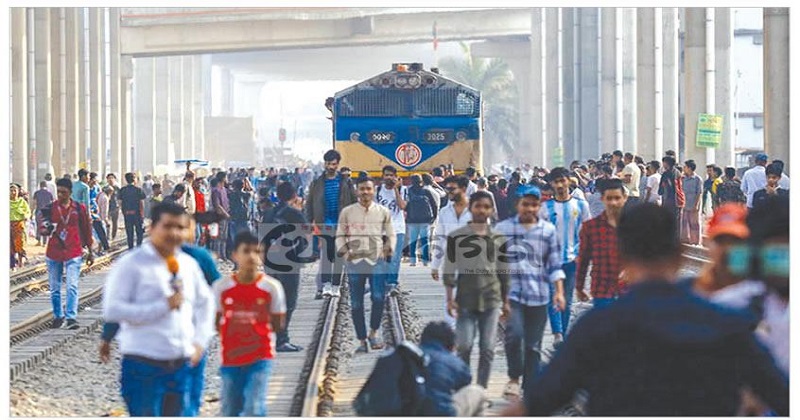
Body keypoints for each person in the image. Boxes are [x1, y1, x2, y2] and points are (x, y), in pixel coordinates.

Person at [502, 203, 789, 416]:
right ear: (679, 254)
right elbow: (781, 395)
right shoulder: (729, 323)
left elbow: (535, 403)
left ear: (622, 257)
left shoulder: (597, 327)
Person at [102, 202, 214, 416]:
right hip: (143, 365)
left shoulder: (188, 264)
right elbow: (113, 310)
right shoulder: (131, 264)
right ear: (152, 227)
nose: (174, 233)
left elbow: (205, 303)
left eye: (180, 227)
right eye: (168, 226)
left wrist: (200, 341)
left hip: (182, 365)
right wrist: (162, 306)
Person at [494, 185, 566, 403]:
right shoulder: (503, 229)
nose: (530, 208)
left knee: (533, 346)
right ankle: (514, 378)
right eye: (526, 204)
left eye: (534, 204)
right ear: (518, 205)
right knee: (514, 336)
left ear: (539, 206)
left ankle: (530, 389)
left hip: (540, 296)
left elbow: (554, 264)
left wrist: (560, 292)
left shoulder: (547, 231)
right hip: (512, 296)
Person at [212, 231, 286, 416]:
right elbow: (215, 321)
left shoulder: (271, 287)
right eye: (246, 251)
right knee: (230, 408)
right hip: (230, 357)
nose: (252, 256)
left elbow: (278, 322)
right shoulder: (222, 287)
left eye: (257, 251)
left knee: (254, 406)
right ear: (234, 255)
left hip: (261, 356)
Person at [443, 191, 509, 389]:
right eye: (478, 206)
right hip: (465, 299)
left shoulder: (498, 238)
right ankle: (464, 387)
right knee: (464, 346)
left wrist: (506, 302)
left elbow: (504, 272)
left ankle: (480, 389)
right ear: (470, 208)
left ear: (491, 210)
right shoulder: (457, 236)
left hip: (491, 300)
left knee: (487, 349)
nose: (482, 210)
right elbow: (449, 269)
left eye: (486, 207)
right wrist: (449, 298)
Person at [336, 177, 395, 353]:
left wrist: (389, 248)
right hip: (355, 261)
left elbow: (391, 233)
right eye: (362, 189)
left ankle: (373, 332)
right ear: (357, 191)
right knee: (356, 303)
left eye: (368, 189)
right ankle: (361, 340)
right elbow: (340, 234)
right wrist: (344, 252)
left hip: (376, 259)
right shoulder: (348, 212)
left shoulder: (382, 211)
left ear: (374, 190)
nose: (365, 192)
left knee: (378, 297)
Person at [539, 167, 591, 345]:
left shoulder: (581, 205)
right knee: (553, 296)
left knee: (567, 299)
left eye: (562, 180)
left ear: (569, 181)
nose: (560, 185)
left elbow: (587, 232)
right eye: (556, 182)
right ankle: (558, 333)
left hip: (572, 259)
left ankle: (564, 331)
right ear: (551, 184)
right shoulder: (545, 208)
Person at [37, 177, 94, 329]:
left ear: (70, 192)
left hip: (73, 250)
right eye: (59, 192)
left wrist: (90, 249)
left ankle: (71, 317)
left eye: (64, 192)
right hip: (54, 251)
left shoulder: (78, 208)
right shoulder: (50, 208)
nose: (61, 195)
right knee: (55, 288)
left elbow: (86, 229)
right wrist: (47, 228)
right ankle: (57, 315)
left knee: (72, 285)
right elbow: (42, 228)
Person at [261, 181, 310, 352]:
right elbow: (306, 235)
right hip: (289, 262)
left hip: (270, 262)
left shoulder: (268, 213)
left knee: (273, 299)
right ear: (294, 195)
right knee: (288, 301)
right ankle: (282, 339)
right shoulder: (294, 214)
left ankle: (272, 337)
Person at [305, 150, 357, 299]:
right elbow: (309, 204)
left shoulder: (345, 182)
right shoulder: (317, 183)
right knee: (327, 256)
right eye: (328, 163)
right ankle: (326, 284)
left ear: (337, 164)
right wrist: (309, 222)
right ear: (324, 164)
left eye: (333, 164)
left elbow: (354, 202)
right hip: (324, 223)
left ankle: (336, 286)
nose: (330, 166)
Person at [575, 178, 627, 311]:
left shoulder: (636, 226)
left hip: (629, 290)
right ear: (602, 199)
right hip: (602, 289)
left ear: (624, 198)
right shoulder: (590, 227)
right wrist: (579, 287)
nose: (613, 203)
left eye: (617, 198)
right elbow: (583, 259)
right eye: (609, 198)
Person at [416, 322, 488, 416]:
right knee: (477, 391)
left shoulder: (401, 355)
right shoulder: (453, 362)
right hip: (441, 414)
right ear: (451, 343)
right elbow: (465, 382)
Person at [431, 176, 473, 328]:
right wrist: (435, 265)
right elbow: (440, 237)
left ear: (463, 189)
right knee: (450, 299)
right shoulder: (444, 212)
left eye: (451, 189)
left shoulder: (476, 210)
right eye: (447, 188)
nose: (448, 192)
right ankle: (453, 338)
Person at [375, 165, 407, 293]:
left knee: (395, 258)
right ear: (383, 176)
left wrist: (396, 190)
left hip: (398, 228)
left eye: (391, 175)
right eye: (386, 175)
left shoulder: (402, 189)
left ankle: (392, 282)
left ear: (395, 177)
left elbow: (402, 206)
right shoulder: (377, 190)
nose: (389, 177)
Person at [405, 174, 437, 268]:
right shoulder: (426, 191)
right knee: (424, 241)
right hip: (425, 220)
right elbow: (433, 204)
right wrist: (433, 217)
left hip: (412, 220)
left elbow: (406, 205)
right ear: (421, 181)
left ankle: (413, 261)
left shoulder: (409, 191)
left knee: (413, 241)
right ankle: (425, 260)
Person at [118, 172, 146, 249]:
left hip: (127, 214)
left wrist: (124, 212)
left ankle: (130, 248)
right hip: (137, 214)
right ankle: (139, 248)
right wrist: (142, 215)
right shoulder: (138, 190)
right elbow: (141, 203)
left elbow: (120, 203)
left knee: (129, 233)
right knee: (139, 232)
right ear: (134, 179)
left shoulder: (122, 190)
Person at [681, 160, 703, 245]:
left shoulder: (697, 179)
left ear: (689, 168)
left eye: (685, 167)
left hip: (693, 204)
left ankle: (696, 241)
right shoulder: (683, 178)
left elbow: (699, 192)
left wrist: (696, 205)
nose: (684, 169)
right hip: (684, 204)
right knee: (684, 223)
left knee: (694, 224)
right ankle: (686, 240)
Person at [10, 183, 33, 269]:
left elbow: (27, 212)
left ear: (18, 192)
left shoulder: (21, 202)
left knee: (20, 246)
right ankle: (12, 265)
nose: (13, 192)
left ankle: (20, 264)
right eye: (11, 191)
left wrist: (24, 215)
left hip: (19, 226)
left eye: (14, 190)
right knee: (10, 246)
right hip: (8, 226)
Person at [88, 172, 111, 254]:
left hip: (95, 212)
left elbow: (98, 197)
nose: (96, 181)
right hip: (87, 211)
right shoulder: (85, 188)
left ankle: (102, 248)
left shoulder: (96, 187)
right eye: (95, 179)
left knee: (99, 229)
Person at [658, 155, 683, 228]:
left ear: (667, 163)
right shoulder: (678, 172)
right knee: (676, 221)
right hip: (677, 200)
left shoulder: (667, 174)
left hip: (669, 200)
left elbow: (662, 188)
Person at [32, 181, 54, 247]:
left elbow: (34, 203)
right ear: (46, 185)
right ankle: (44, 243)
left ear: (40, 185)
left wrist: (32, 211)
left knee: (38, 226)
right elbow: (52, 203)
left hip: (39, 211)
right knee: (46, 226)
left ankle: (39, 241)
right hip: (47, 212)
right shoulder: (49, 193)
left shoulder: (37, 193)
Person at [106, 173, 121, 240]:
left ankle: (113, 237)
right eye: (109, 178)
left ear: (115, 179)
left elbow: (120, 198)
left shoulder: (117, 188)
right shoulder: (105, 188)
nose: (111, 179)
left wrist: (120, 206)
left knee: (115, 223)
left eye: (112, 178)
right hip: (107, 207)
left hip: (115, 207)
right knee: (107, 223)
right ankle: (107, 237)